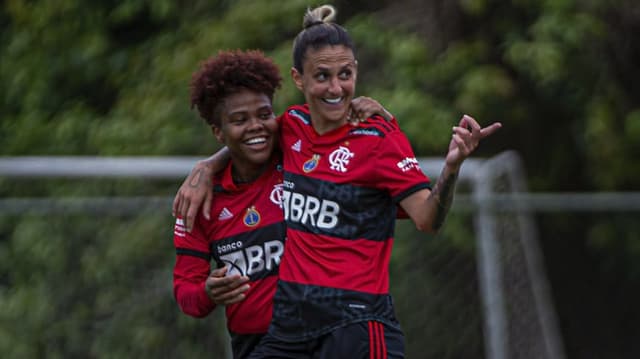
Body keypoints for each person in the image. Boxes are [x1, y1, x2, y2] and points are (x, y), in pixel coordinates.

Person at [173, 5, 502, 358]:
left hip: (351, 322)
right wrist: (206, 167)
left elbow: (417, 214)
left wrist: (450, 167)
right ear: (299, 79)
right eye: (323, 76)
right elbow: (187, 291)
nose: (256, 126)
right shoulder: (282, 137)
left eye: (344, 74)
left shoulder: (348, 137)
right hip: (283, 336)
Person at [172, 49, 390, 359]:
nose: (256, 126)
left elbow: (376, 191)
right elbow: (186, 292)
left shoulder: (301, 159)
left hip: (330, 331)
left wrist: (370, 118)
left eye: (264, 115)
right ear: (218, 132)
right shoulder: (200, 199)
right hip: (257, 345)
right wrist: (207, 292)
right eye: (239, 120)